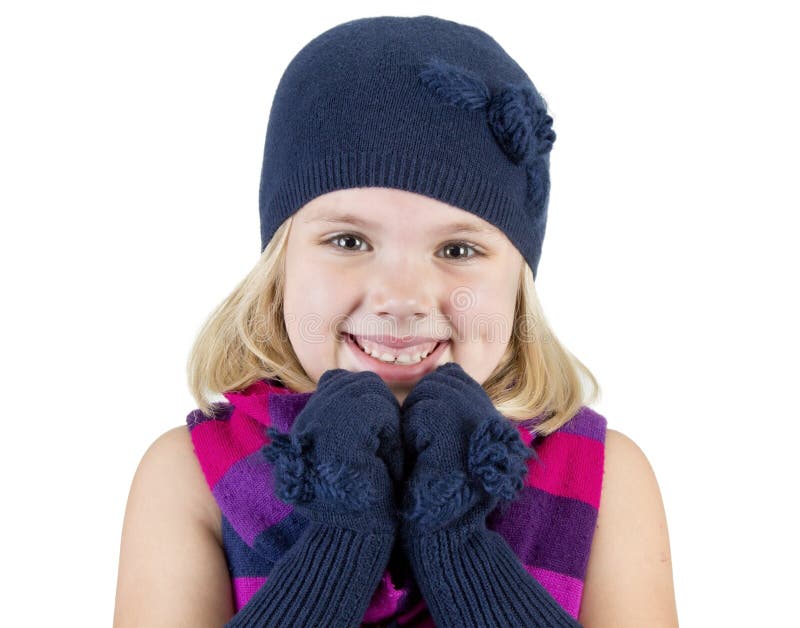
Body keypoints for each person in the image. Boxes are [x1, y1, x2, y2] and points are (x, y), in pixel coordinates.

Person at [113, 14, 678, 627]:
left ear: (519, 283)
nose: (402, 297)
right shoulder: (190, 478)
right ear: (280, 266)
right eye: (350, 241)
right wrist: (341, 538)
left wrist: (458, 546)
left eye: (457, 250)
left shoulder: (604, 481)